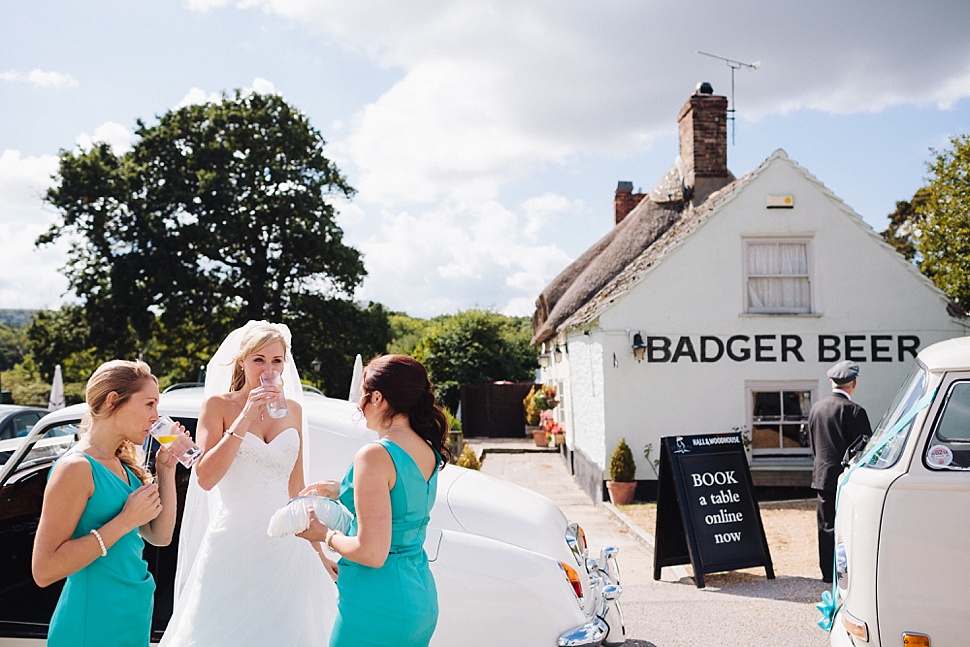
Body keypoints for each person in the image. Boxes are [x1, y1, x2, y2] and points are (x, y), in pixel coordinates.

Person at [160, 321, 336, 646]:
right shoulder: (217, 406)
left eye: (276, 361)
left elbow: (296, 490)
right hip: (234, 545)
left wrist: (317, 550)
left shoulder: (294, 410)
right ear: (242, 362)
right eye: (259, 360)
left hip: (286, 547)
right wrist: (245, 417)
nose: (268, 369)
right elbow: (205, 477)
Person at [300, 354, 450, 647]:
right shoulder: (426, 448)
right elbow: (402, 504)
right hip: (418, 595)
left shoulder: (374, 455)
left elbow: (372, 552)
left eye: (362, 397)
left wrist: (323, 535)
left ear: (378, 398)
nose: (359, 406)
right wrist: (341, 489)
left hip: (377, 603)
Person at [32, 360, 181, 647]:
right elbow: (43, 570)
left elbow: (160, 537)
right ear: (114, 400)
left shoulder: (122, 465)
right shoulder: (75, 468)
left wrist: (166, 469)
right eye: (149, 404)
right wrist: (124, 520)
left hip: (131, 613)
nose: (156, 416)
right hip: (93, 621)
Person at [808, 359, 872, 583]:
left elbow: (813, 443)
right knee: (852, 525)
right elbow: (864, 449)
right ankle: (847, 571)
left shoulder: (816, 408)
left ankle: (828, 573)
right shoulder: (855, 411)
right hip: (849, 478)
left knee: (826, 527)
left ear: (831, 382)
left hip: (823, 475)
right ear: (853, 384)